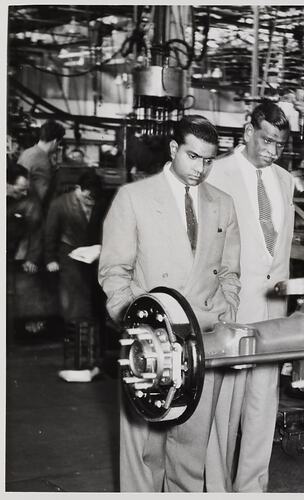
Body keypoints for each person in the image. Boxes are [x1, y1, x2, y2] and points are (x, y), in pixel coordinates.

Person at [98, 115, 241, 492]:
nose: (200, 168)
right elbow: (115, 270)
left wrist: (226, 311)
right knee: (144, 453)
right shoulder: (134, 198)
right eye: (193, 157)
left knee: (190, 453)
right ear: (174, 149)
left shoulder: (223, 204)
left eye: (209, 160)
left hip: (201, 342)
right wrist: (133, 322)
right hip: (149, 344)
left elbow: (230, 272)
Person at [205, 99, 294, 492]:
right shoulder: (216, 174)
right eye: (267, 141)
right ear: (247, 130)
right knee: (224, 405)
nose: (273, 152)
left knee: (263, 402)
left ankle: (252, 487)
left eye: (280, 144)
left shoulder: (285, 180)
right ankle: (217, 487)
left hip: (273, 308)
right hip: (233, 307)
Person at [45, 170, 107, 380]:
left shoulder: (101, 202)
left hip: (94, 260)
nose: (91, 202)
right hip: (69, 260)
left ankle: (93, 361)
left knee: (93, 310)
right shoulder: (60, 204)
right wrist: (50, 258)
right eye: (88, 197)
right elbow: (50, 233)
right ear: (78, 190)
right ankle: (78, 363)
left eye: (94, 198)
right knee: (76, 310)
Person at [17, 119, 66, 204]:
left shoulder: (27, 152)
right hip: (33, 209)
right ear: (55, 142)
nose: (58, 147)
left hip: (21, 205)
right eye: (59, 143)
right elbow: (44, 194)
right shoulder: (42, 160)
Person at [7, 161, 42, 274]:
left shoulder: (30, 199)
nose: (25, 193)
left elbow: (36, 230)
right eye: (21, 189)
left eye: (26, 188)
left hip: (16, 255)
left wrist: (32, 258)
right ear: (6, 184)